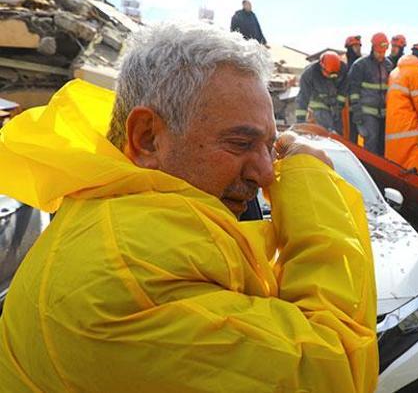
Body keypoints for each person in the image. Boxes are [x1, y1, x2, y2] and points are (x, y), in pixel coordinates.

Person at [0, 22, 378, 393]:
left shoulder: (119, 213)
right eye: (240, 143)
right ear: (147, 138)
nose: (266, 173)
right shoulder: (133, 279)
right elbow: (336, 369)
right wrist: (312, 184)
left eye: (269, 146)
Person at [348, 32, 393, 154]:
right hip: (367, 113)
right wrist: (356, 111)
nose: (381, 55)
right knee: (371, 143)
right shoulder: (360, 65)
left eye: (383, 52)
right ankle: (370, 171)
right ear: (373, 48)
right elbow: (353, 89)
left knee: (383, 144)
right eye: (379, 52)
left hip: (384, 113)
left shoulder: (388, 65)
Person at [384, 54, 418, 174]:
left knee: (396, 169)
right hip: (410, 129)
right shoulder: (417, 73)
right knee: (416, 173)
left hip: (393, 129)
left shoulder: (395, 72)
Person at [295, 51, 347, 133]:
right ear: (321, 66)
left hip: (334, 103)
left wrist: (338, 106)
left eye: (334, 75)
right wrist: (300, 121)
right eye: (329, 74)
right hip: (318, 103)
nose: (331, 77)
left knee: (338, 130)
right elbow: (303, 97)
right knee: (327, 129)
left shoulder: (343, 69)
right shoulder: (309, 74)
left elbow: (343, 90)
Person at [343, 35, 363, 142]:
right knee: (349, 136)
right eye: (355, 46)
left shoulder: (362, 64)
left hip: (359, 107)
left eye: (359, 46)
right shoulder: (343, 63)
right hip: (346, 107)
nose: (358, 49)